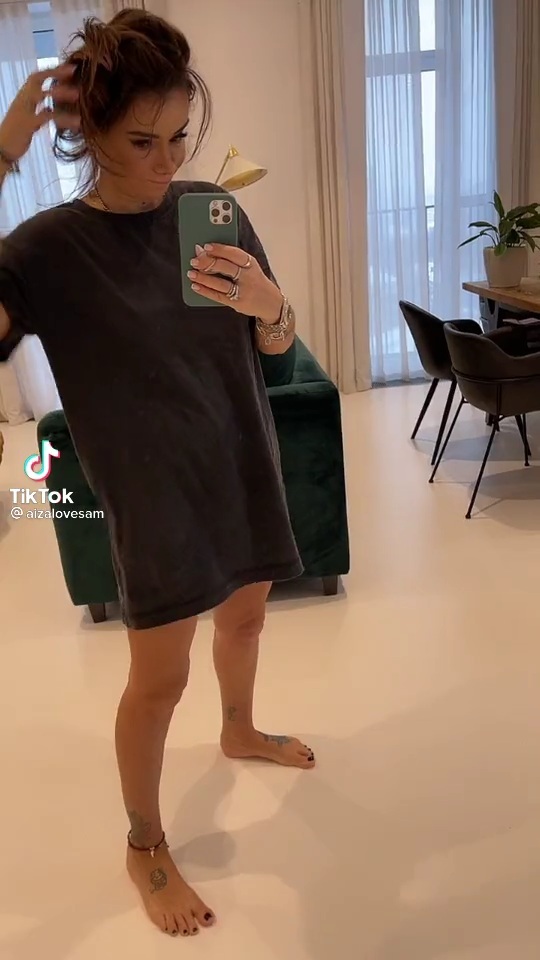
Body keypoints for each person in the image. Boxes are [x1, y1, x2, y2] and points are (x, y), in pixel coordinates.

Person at [0, 9, 315, 939]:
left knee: (247, 619)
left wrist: (271, 305)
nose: (167, 160)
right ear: (87, 132)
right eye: (142, 140)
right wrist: (1, 156)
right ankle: (144, 842)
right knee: (158, 683)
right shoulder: (45, 252)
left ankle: (240, 728)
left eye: (180, 135)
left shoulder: (211, 211)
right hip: (153, 497)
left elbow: (275, 347)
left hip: (242, 460)